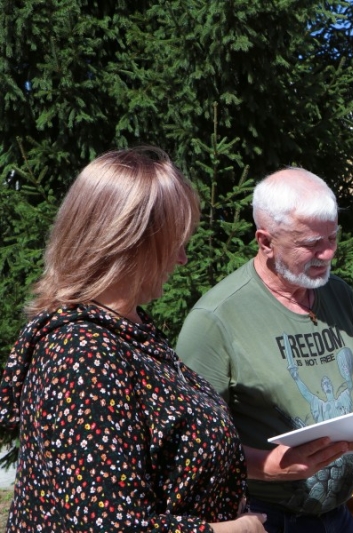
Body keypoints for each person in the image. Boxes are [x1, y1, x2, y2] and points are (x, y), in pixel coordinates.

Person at [0, 147, 266, 532]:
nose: (182, 259)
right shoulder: (83, 355)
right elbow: (106, 526)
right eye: (175, 241)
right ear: (131, 242)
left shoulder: (127, 331)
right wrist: (234, 530)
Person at [176, 167, 353, 533]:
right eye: (310, 244)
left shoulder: (338, 294)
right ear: (265, 242)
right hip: (266, 518)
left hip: (339, 514)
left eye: (332, 237)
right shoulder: (215, 319)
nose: (328, 253)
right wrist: (269, 465)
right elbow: (192, 446)